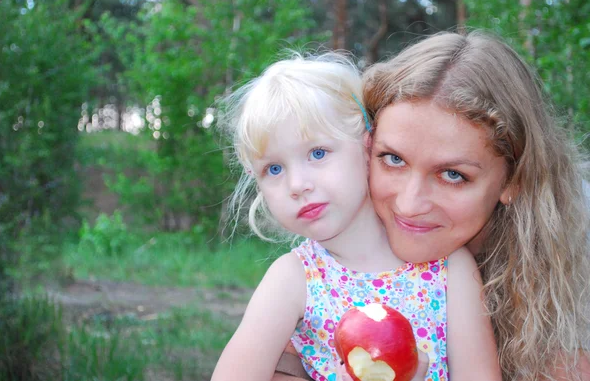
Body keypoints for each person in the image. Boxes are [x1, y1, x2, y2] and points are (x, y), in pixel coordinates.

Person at [273, 31, 590, 381]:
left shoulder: (574, 265)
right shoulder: (336, 249)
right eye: (392, 159)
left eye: (453, 175)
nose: (409, 205)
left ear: (514, 180)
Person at [212, 51, 501, 381]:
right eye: (273, 169)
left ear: (368, 148)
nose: (297, 185)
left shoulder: (449, 268)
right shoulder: (294, 279)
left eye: (317, 153)